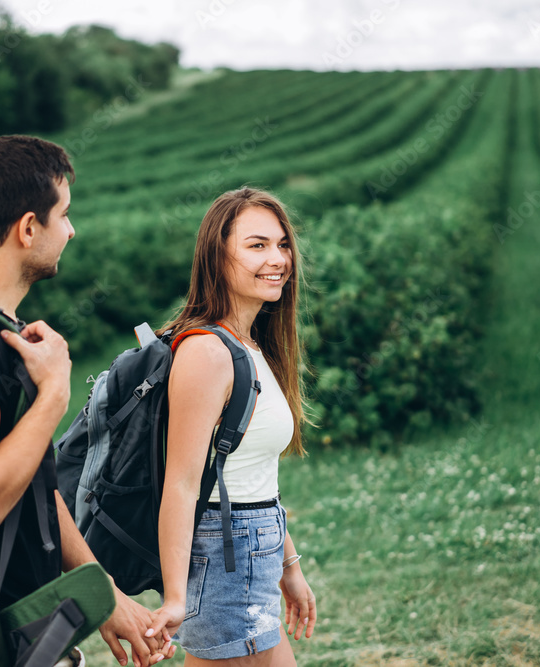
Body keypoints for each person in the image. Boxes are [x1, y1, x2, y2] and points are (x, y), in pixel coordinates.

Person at [0, 135, 174, 667]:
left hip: (21, 634)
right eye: (64, 215)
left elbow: (31, 485)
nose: (72, 230)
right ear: (28, 227)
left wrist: (103, 597)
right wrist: (55, 395)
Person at [146, 188, 317, 665]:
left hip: (248, 554)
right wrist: (176, 598)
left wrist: (289, 568)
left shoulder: (251, 347)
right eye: (256, 245)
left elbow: (252, 479)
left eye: (282, 244)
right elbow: (181, 484)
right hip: (225, 563)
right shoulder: (207, 353)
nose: (278, 258)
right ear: (217, 257)